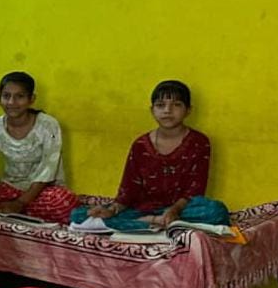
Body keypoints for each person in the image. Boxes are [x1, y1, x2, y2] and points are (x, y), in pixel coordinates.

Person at [72, 80, 228, 229]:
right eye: (161, 105)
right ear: (152, 110)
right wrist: (113, 209)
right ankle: (153, 222)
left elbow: (195, 190)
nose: (167, 110)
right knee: (78, 215)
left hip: (182, 210)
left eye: (176, 105)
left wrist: (174, 210)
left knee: (216, 211)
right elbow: (129, 189)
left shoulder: (199, 142)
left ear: (188, 110)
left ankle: (145, 224)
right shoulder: (140, 145)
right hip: (142, 210)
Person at [0, 71, 79, 223]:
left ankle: (15, 211)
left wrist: (20, 203)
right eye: (6, 96)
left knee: (63, 202)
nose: (12, 102)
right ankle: (12, 212)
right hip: (9, 189)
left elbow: (48, 170)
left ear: (31, 99)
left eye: (20, 96)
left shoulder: (48, 125)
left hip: (42, 191)